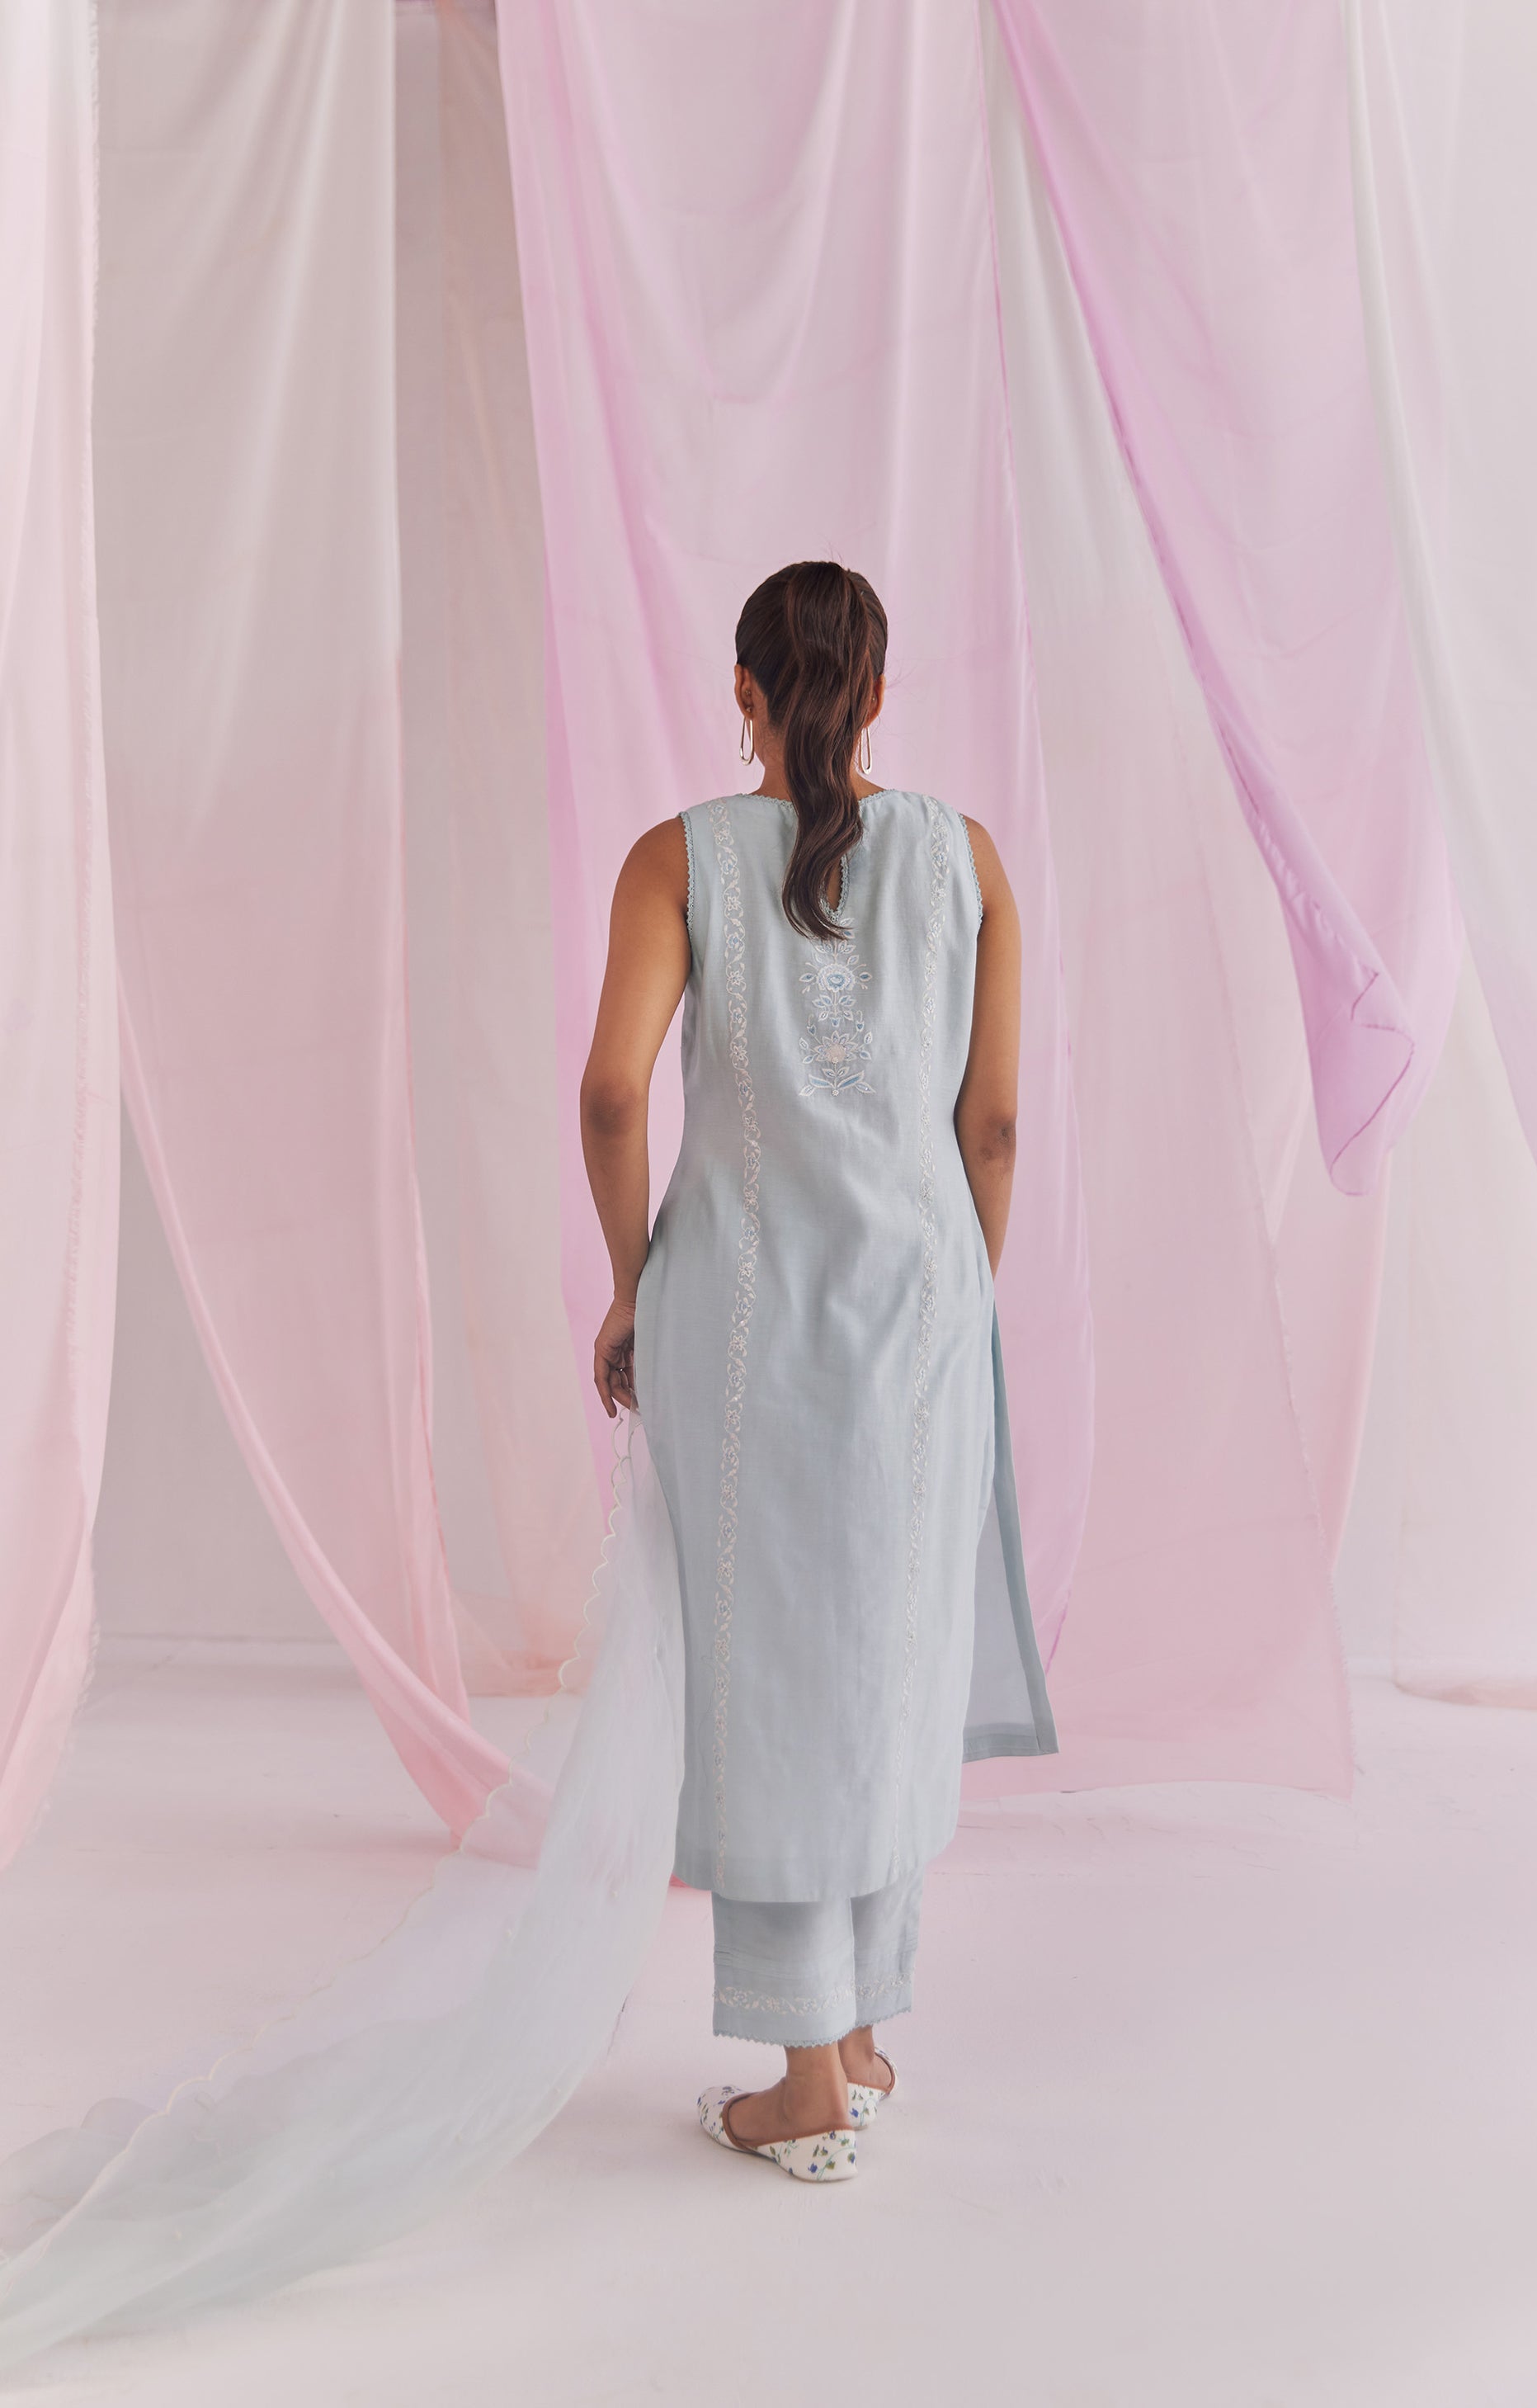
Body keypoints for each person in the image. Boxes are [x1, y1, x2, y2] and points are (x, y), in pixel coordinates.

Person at [579, 560, 1058, 2184]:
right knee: (889, 1647)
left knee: (773, 1667)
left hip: (744, 1321)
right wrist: (958, 1288)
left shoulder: (678, 859)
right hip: (921, 1312)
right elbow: (993, 1124)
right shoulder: (967, 859)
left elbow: (608, 1094)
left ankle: (805, 2078)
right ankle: (854, 2036)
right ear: (877, 691)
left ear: (743, 692)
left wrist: (627, 1281)